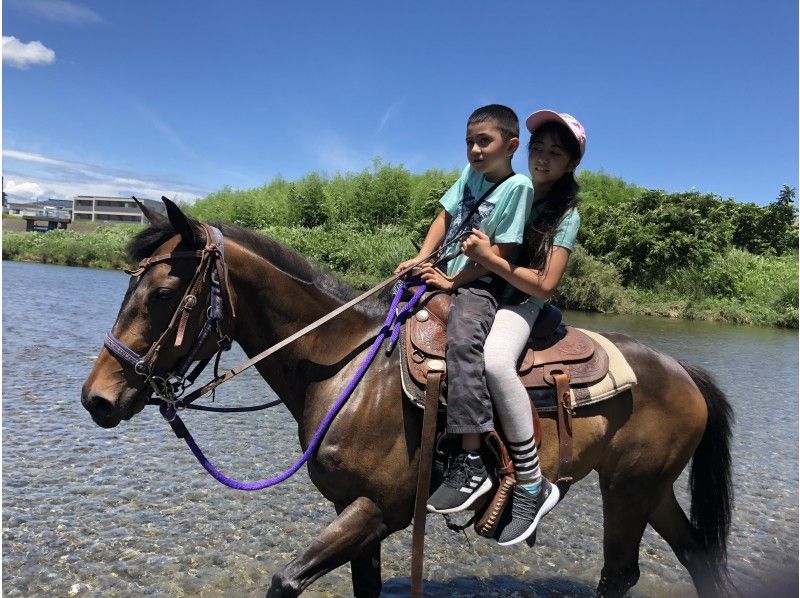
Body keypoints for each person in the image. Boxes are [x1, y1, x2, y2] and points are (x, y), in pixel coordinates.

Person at [394, 104, 533, 514]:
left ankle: (471, 456)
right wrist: (423, 259)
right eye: (470, 142)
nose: (474, 150)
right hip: (444, 270)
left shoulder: (518, 186)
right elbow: (444, 217)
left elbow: (503, 250)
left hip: (480, 283)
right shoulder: (470, 175)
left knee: (464, 339)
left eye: (484, 142)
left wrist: (454, 282)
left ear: (510, 146)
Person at [461, 109, 586, 545]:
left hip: (521, 301)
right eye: (539, 148)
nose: (543, 159)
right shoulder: (505, 186)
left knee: (494, 361)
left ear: (571, 164)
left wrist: (492, 261)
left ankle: (533, 482)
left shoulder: (565, 215)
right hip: (479, 287)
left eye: (556, 153)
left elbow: (547, 285)